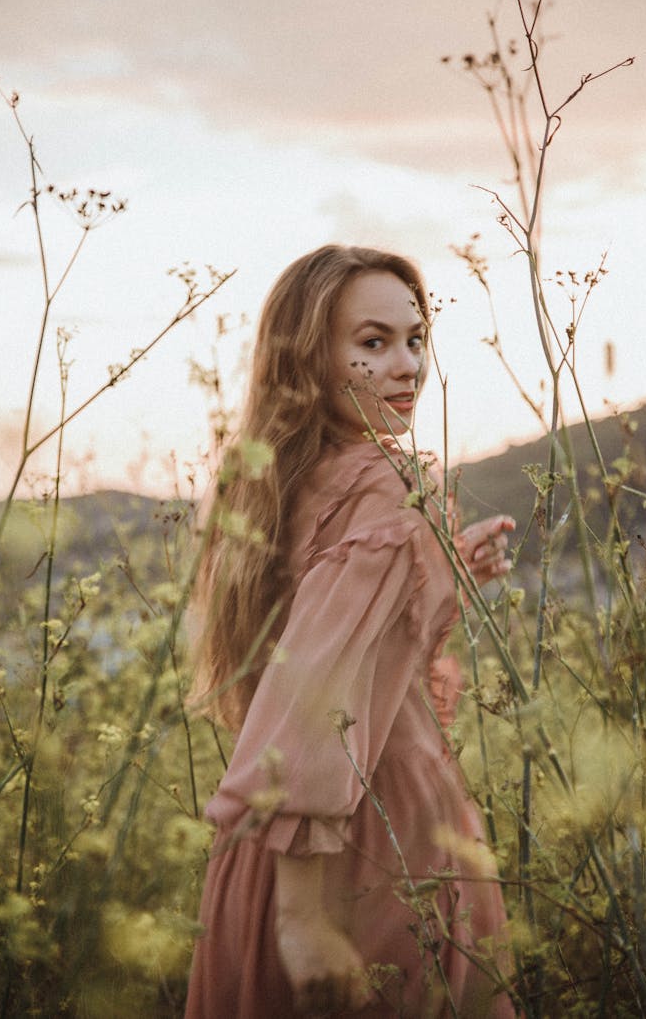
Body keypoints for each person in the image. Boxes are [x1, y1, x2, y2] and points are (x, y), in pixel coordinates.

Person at [185, 245, 516, 1018]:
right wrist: (303, 917)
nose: (408, 366)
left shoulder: (275, 481)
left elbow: (343, 634)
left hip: (274, 848)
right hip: (363, 845)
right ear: (310, 359)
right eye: (373, 344)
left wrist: (445, 567)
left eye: (415, 338)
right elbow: (313, 686)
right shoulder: (387, 486)